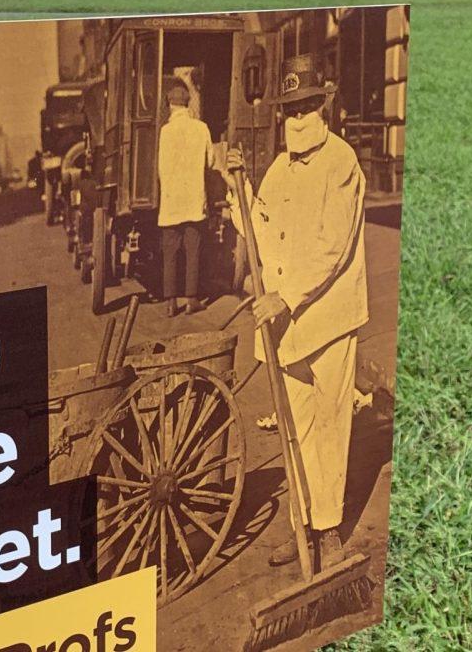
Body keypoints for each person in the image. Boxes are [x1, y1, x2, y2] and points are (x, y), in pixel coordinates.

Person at [223, 52, 368, 572]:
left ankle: (329, 535)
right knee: (295, 430)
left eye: (306, 107)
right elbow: (259, 230)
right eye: (289, 111)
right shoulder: (280, 169)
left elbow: (332, 244)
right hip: (286, 327)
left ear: (322, 108)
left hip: (326, 319)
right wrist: (235, 187)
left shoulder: (341, 162)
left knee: (330, 429)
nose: (297, 119)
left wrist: (286, 296)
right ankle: (302, 528)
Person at [157, 81, 213, 317]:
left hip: (170, 203)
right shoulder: (201, 128)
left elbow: (160, 169)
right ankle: (191, 300)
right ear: (188, 104)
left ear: (170, 105)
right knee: (193, 249)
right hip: (193, 200)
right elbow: (210, 162)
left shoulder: (165, 131)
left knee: (170, 253)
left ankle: (170, 303)